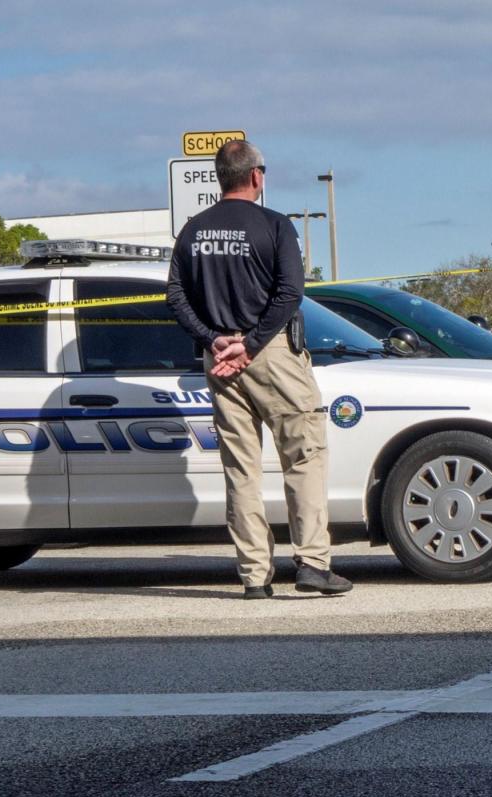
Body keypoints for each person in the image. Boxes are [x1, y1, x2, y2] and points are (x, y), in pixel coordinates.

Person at [166, 138, 351, 598]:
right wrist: (250, 344)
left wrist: (214, 341)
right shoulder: (274, 225)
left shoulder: (192, 231)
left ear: (218, 178)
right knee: (303, 458)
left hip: (220, 358)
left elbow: (175, 296)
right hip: (270, 354)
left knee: (241, 469)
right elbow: (290, 293)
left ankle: (253, 576)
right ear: (255, 176)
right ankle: (312, 563)